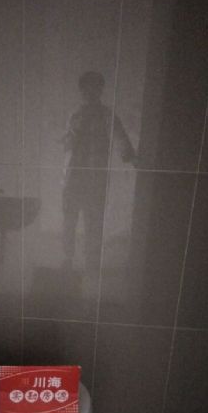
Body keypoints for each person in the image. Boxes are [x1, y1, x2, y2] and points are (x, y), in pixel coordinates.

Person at [62, 71, 135, 270]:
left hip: (95, 180)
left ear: (100, 90)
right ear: (81, 91)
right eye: (86, 89)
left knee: (94, 222)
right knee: (69, 220)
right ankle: (67, 259)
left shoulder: (107, 116)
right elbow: (67, 145)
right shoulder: (74, 115)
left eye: (94, 88)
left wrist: (132, 157)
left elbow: (120, 138)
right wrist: (68, 138)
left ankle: (91, 262)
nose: (90, 93)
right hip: (72, 178)